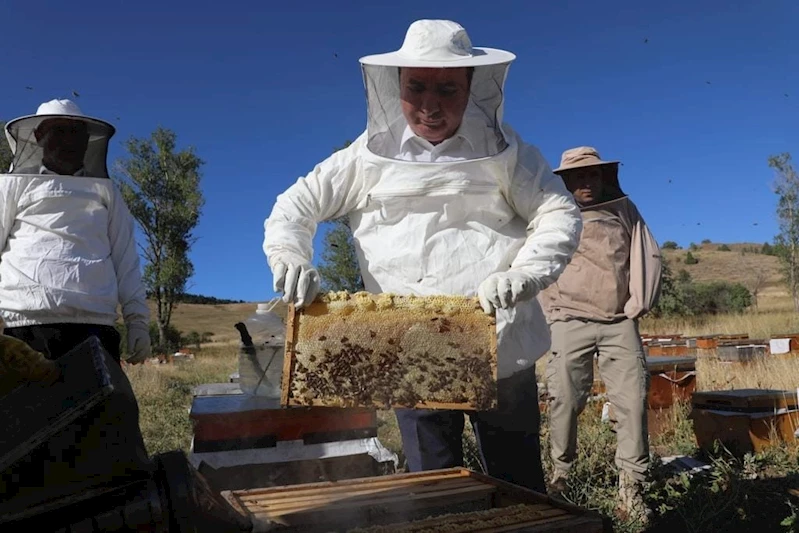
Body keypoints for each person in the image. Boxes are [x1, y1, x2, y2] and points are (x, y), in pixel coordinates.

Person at [263, 19, 582, 493]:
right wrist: (289, 256)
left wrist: (527, 274)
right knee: (435, 489)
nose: (430, 105)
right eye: (416, 87)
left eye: (447, 89)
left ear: (472, 88)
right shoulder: (363, 157)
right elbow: (294, 207)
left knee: (519, 490)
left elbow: (559, 212)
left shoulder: (508, 153)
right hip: (409, 349)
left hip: (502, 343)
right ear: (397, 86)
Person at [0, 99, 153, 503]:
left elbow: (125, 257)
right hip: (23, 330)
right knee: (25, 445)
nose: (69, 140)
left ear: (88, 142)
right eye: (59, 131)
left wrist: (138, 320)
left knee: (108, 434)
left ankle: (122, 514)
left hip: (94, 328)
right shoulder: (12, 186)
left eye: (77, 133)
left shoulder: (106, 191)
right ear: (38, 136)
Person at [538, 146, 662, 520]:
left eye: (592, 175)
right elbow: (534, 258)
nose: (586, 182)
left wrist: (637, 303)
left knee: (631, 403)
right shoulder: (550, 213)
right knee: (563, 401)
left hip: (618, 323)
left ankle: (632, 489)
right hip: (567, 322)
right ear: (566, 181)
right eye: (578, 176)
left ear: (604, 176)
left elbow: (648, 253)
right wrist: (548, 311)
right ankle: (561, 477)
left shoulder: (624, 210)